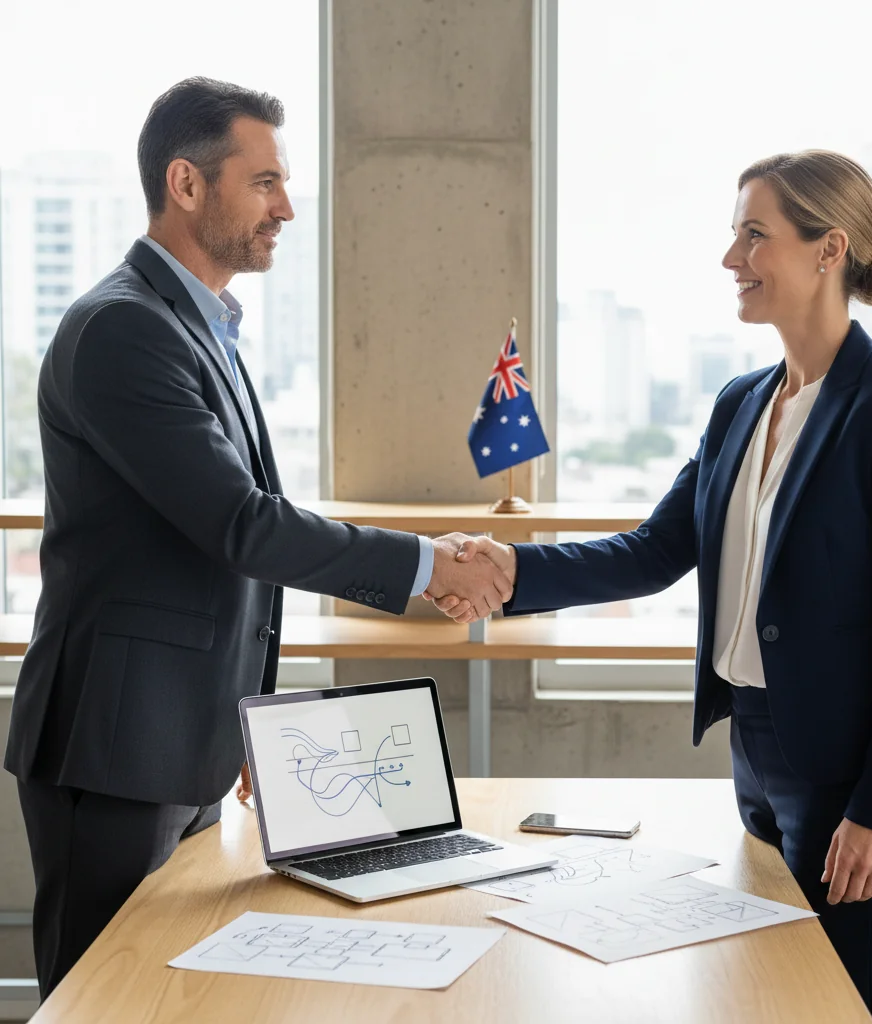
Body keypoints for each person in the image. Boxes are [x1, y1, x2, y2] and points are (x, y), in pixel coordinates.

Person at [4, 76, 508, 1000]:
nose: (285, 206)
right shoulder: (125, 329)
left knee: (169, 997)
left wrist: (234, 716)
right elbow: (240, 524)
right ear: (187, 185)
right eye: (264, 181)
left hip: (177, 735)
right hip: (115, 743)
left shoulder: (199, 325)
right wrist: (431, 564)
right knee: (96, 999)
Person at [433, 150, 872, 1024]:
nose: (732, 259)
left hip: (851, 777)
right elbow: (654, 550)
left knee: (841, 1007)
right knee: (762, 1003)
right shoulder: (741, 403)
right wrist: (511, 571)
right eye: (734, 235)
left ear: (830, 250)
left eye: (754, 235)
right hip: (755, 753)